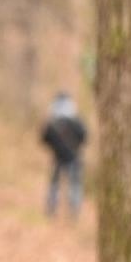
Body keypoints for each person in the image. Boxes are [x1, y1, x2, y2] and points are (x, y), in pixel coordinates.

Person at [40, 90, 86, 219]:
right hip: (71, 158)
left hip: (60, 158)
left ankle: (54, 210)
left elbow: (44, 139)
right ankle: (72, 212)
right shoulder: (75, 120)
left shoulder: (53, 122)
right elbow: (84, 137)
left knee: (58, 186)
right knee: (72, 186)